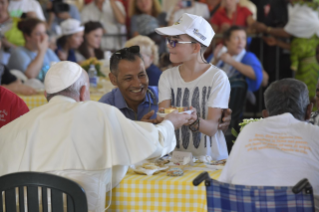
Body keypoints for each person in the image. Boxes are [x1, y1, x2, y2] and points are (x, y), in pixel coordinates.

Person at [0, 61, 190, 211]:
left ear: (45, 95)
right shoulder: (101, 113)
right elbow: (151, 143)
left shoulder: (14, 127)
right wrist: (170, 123)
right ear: (84, 92)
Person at [219, 78, 319, 210]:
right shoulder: (315, 135)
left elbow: (223, 186)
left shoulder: (249, 131)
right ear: (308, 111)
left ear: (265, 115)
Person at [155, 13, 231, 159]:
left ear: (196, 47)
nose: (169, 45)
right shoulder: (167, 76)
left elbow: (212, 128)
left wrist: (194, 121)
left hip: (210, 160)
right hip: (176, 159)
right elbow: (162, 116)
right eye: (169, 40)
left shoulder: (217, 77)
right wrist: (162, 117)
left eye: (175, 41)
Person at [254, 0, 319, 105]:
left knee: (310, 98)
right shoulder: (307, 15)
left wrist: (267, 29)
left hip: (311, 67)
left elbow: (288, 32)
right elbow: (296, 47)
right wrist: (278, 43)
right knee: (303, 97)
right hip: (302, 66)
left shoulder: (306, 12)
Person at [212, 26, 263, 92]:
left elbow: (258, 75)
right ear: (227, 40)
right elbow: (202, 73)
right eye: (236, 38)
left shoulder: (248, 56)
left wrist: (231, 61)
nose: (240, 42)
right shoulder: (220, 53)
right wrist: (215, 60)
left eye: (244, 38)